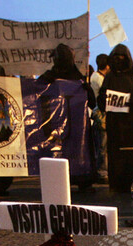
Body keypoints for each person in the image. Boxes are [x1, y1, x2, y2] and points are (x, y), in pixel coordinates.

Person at [36, 43, 97, 192]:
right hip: (66, 127)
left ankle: (77, 179)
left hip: (72, 126)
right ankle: (77, 179)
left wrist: (86, 90)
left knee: (71, 151)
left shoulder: (73, 79)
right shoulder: (52, 78)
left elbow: (92, 102)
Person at [98, 43, 133, 194]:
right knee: (117, 158)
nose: (119, 61)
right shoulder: (110, 78)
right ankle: (118, 185)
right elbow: (102, 100)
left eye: (121, 58)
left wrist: (131, 105)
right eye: (116, 58)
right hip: (116, 126)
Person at [90, 54, 110, 181]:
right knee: (102, 145)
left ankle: (102, 170)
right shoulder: (100, 79)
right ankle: (102, 172)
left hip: (98, 114)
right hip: (101, 115)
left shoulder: (94, 76)